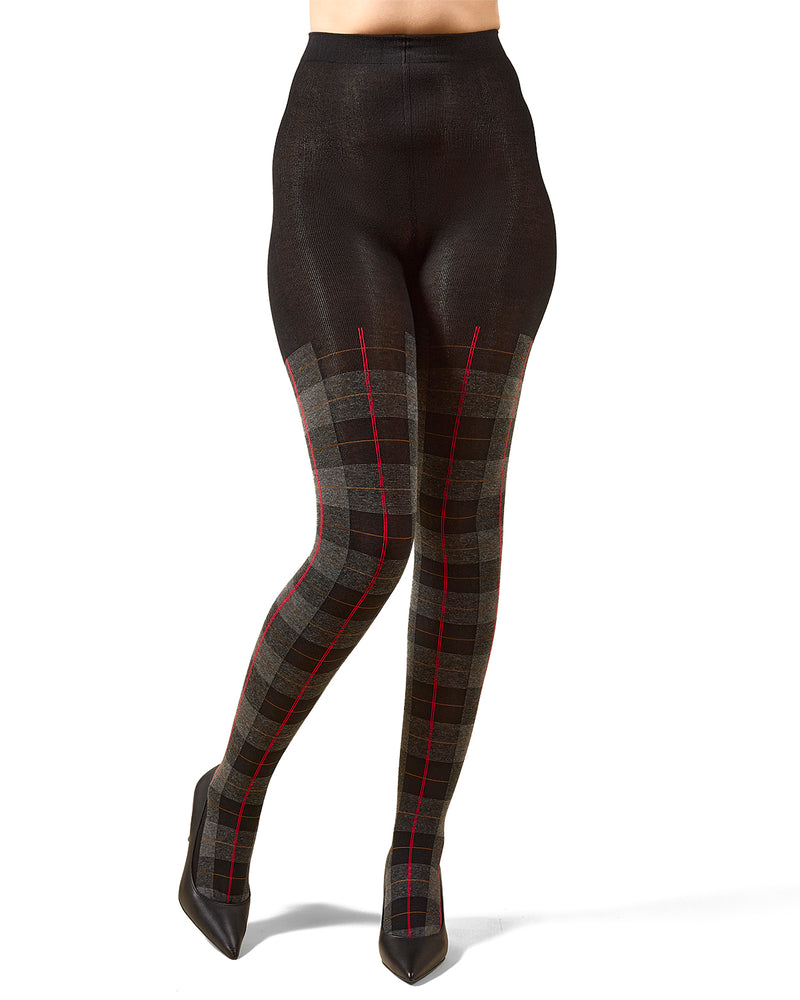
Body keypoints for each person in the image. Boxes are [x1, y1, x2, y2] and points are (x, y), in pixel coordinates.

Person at [179, 0, 557, 983]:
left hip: (486, 148)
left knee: (462, 530)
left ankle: (415, 852)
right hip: (334, 153)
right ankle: (229, 798)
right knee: (369, 534)